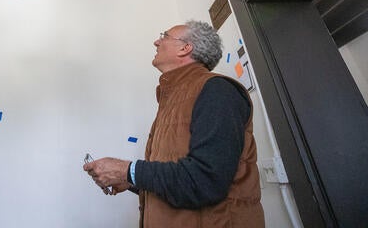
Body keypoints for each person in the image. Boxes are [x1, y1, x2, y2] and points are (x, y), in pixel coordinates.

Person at [83, 20, 264, 228]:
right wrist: (132, 181)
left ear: (185, 48)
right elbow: (179, 181)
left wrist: (127, 170)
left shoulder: (217, 91)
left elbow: (205, 181)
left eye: (164, 36)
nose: (156, 42)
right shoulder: (172, 100)